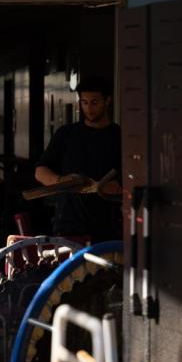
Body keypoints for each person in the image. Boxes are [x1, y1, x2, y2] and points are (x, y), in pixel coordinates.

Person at [34, 76, 122, 242]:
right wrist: (60, 181)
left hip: (108, 225)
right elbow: (40, 171)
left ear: (107, 101)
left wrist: (101, 187)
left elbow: (130, 182)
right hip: (69, 224)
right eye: (84, 102)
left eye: (95, 102)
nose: (89, 109)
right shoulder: (66, 134)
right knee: (72, 268)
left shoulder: (119, 137)